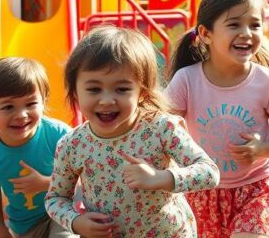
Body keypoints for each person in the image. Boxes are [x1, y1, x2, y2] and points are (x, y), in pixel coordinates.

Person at [45, 26, 220, 237]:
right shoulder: (72, 145)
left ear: (142, 93)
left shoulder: (161, 128)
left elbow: (209, 172)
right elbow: (55, 199)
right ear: (75, 93)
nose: (107, 100)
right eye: (93, 89)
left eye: (122, 89)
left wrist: (161, 177)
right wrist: (76, 221)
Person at [166, 0, 269, 238]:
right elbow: (162, 130)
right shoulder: (186, 81)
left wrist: (264, 149)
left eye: (255, 25)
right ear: (206, 33)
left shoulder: (266, 82)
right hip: (202, 191)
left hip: (257, 189)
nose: (247, 33)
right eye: (234, 24)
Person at [0, 58, 73, 238]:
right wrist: (0, 228)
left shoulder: (58, 134)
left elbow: (84, 177)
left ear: (43, 100)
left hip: (63, 210)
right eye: (8, 107)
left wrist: (46, 183)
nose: (22, 115)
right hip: (25, 224)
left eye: (30, 104)